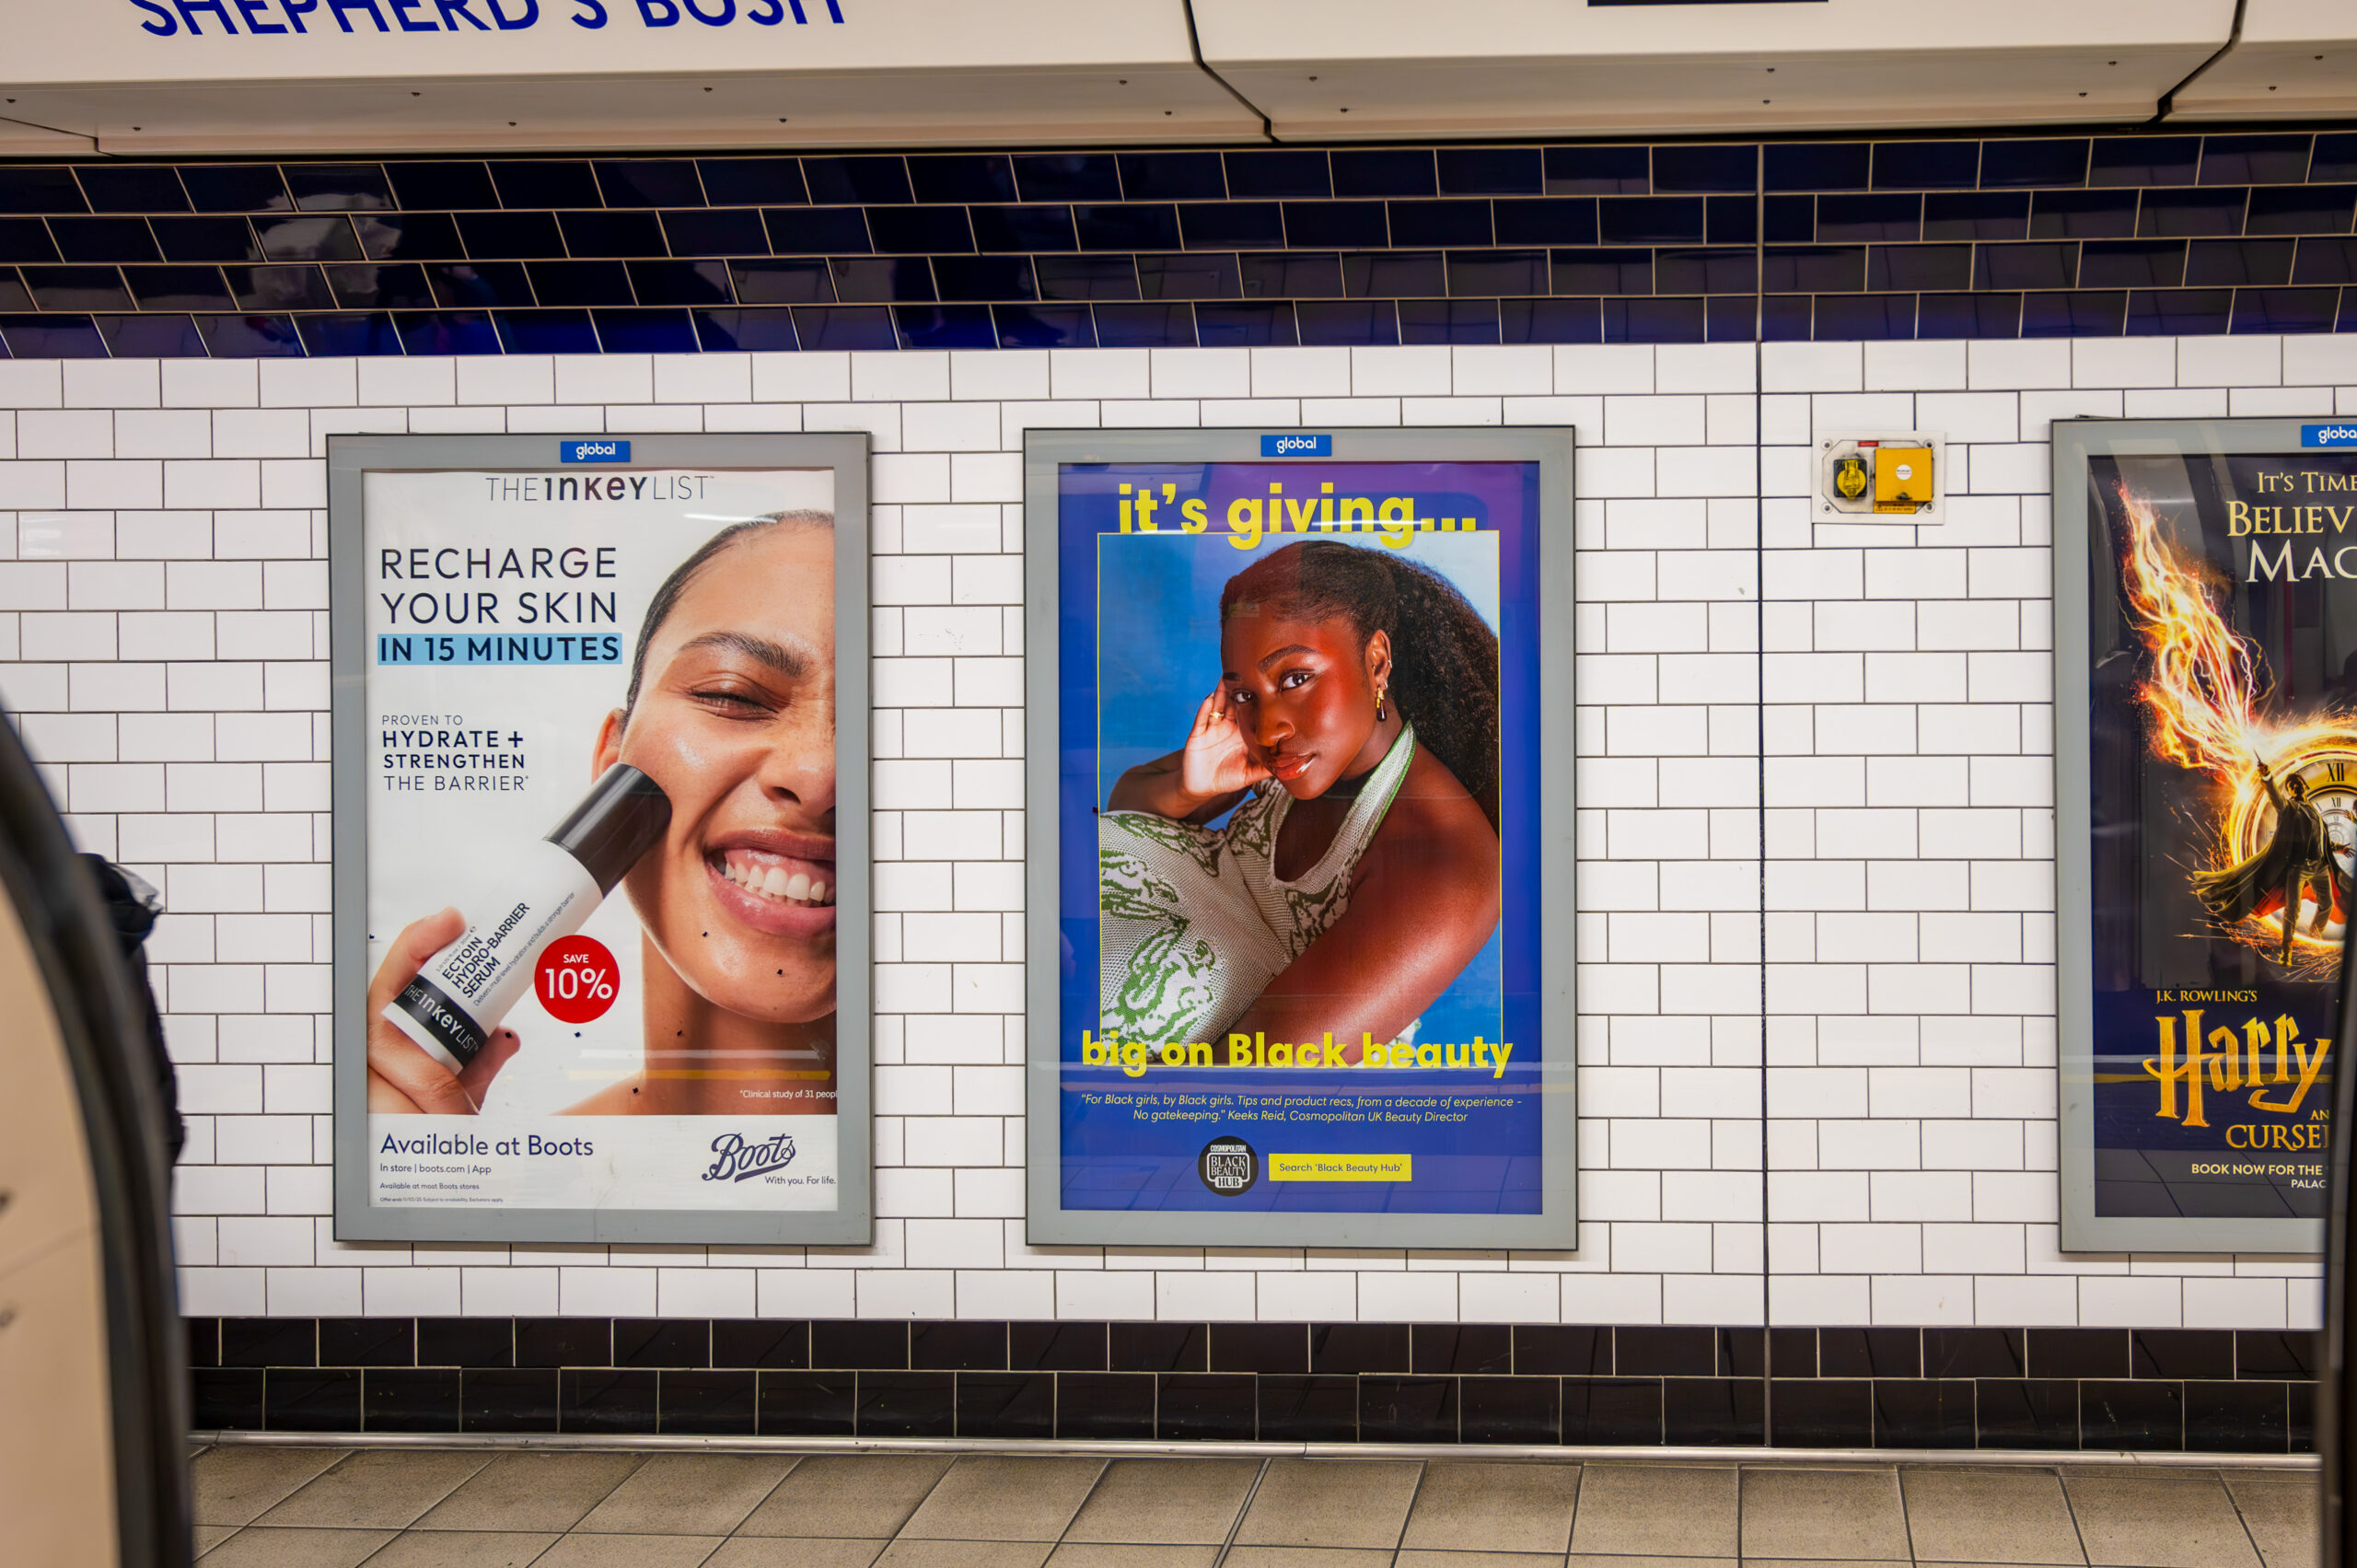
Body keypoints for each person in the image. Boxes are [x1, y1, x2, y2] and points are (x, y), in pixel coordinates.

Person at [365, 510, 841, 1116]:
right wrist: (410, 1188)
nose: (818, 775)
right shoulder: (516, 1184)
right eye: (732, 694)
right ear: (611, 764)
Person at [1099, 539, 1503, 1051]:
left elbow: (1246, 1083)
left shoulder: (1443, 864)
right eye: (1245, 694)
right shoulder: (1295, 757)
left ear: (1377, 661)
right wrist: (1188, 789)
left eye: (1295, 678)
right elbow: (1127, 805)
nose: (1267, 729)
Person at [2193, 756, 2340, 965]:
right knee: (2293, 909)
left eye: (2298, 783)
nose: (2296, 786)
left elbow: (2320, 839)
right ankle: (2286, 953)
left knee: (2327, 904)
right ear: (2290, 790)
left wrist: (2337, 848)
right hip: (2299, 868)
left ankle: (2314, 938)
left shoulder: (2314, 811)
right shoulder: (2288, 808)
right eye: (2292, 785)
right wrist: (2267, 777)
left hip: (2320, 867)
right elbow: (2275, 797)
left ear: (2304, 786)